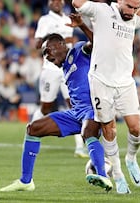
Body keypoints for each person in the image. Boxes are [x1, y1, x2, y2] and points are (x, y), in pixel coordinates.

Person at [0, 33, 113, 192]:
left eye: (48, 51)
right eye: (44, 54)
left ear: (61, 44)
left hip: (94, 108)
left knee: (88, 133)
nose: (46, 56)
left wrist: (81, 24)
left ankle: (103, 177)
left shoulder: (79, 50)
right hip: (76, 113)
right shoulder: (65, 66)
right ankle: (26, 181)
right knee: (33, 129)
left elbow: (97, 41)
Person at [72, 0, 140, 190]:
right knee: (109, 129)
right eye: (129, 7)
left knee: (135, 128)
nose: (132, 11)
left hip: (125, 83)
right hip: (101, 82)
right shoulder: (101, 11)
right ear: (119, 1)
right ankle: (118, 176)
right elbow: (77, 2)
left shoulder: (132, 19)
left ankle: (131, 158)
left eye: (135, 8)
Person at [33, 0, 87, 158]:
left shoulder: (68, 18)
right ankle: (30, 133)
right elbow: (37, 44)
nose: (56, 2)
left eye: (59, 0)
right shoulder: (45, 20)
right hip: (51, 69)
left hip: (69, 67)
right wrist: (59, 41)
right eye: (53, 0)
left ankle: (79, 147)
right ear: (48, 3)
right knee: (46, 107)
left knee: (74, 105)